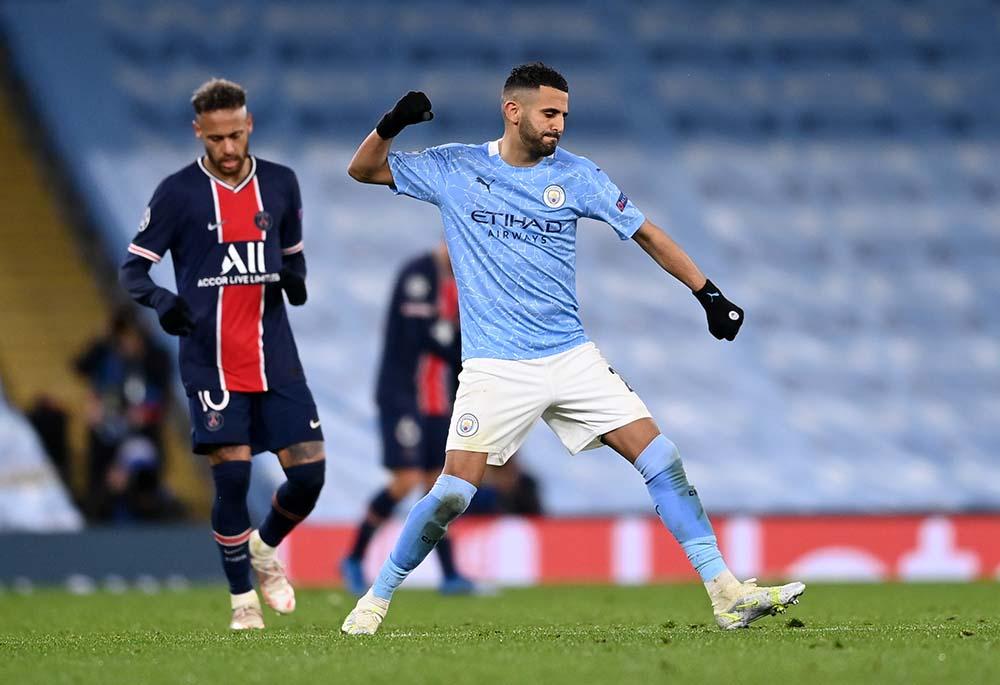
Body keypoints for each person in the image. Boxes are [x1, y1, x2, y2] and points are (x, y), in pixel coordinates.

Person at [341, 63, 805, 634]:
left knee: (662, 459)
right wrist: (391, 125)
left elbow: (647, 233)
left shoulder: (578, 176)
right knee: (451, 496)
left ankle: (726, 592)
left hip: (571, 356)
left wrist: (708, 293)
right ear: (514, 111)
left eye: (564, 114)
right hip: (495, 366)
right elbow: (362, 168)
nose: (560, 125)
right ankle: (374, 601)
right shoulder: (455, 167)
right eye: (550, 113)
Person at [119, 78, 326, 630]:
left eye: (236, 135)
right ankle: (241, 600)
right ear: (198, 133)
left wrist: (297, 281)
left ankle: (264, 548)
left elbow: (292, 255)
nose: (229, 150)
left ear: (249, 124)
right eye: (217, 140)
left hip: (275, 355)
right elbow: (133, 269)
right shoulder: (177, 192)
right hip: (211, 359)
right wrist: (162, 300)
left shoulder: (281, 184)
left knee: (310, 477)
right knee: (232, 480)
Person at [340, 242, 476, 595]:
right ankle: (353, 558)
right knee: (406, 480)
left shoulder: (457, 280)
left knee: (438, 487)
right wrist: (467, 351)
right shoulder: (419, 274)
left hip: (436, 401)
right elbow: (426, 337)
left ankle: (449, 574)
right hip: (404, 397)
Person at [74, 308, 176, 522]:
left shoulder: (155, 358)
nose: (128, 345)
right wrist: (102, 338)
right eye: (122, 339)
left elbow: (162, 399)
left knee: (140, 484)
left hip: (143, 437)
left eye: (132, 337)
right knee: (101, 489)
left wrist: (144, 414)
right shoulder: (107, 356)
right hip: (107, 436)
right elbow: (80, 366)